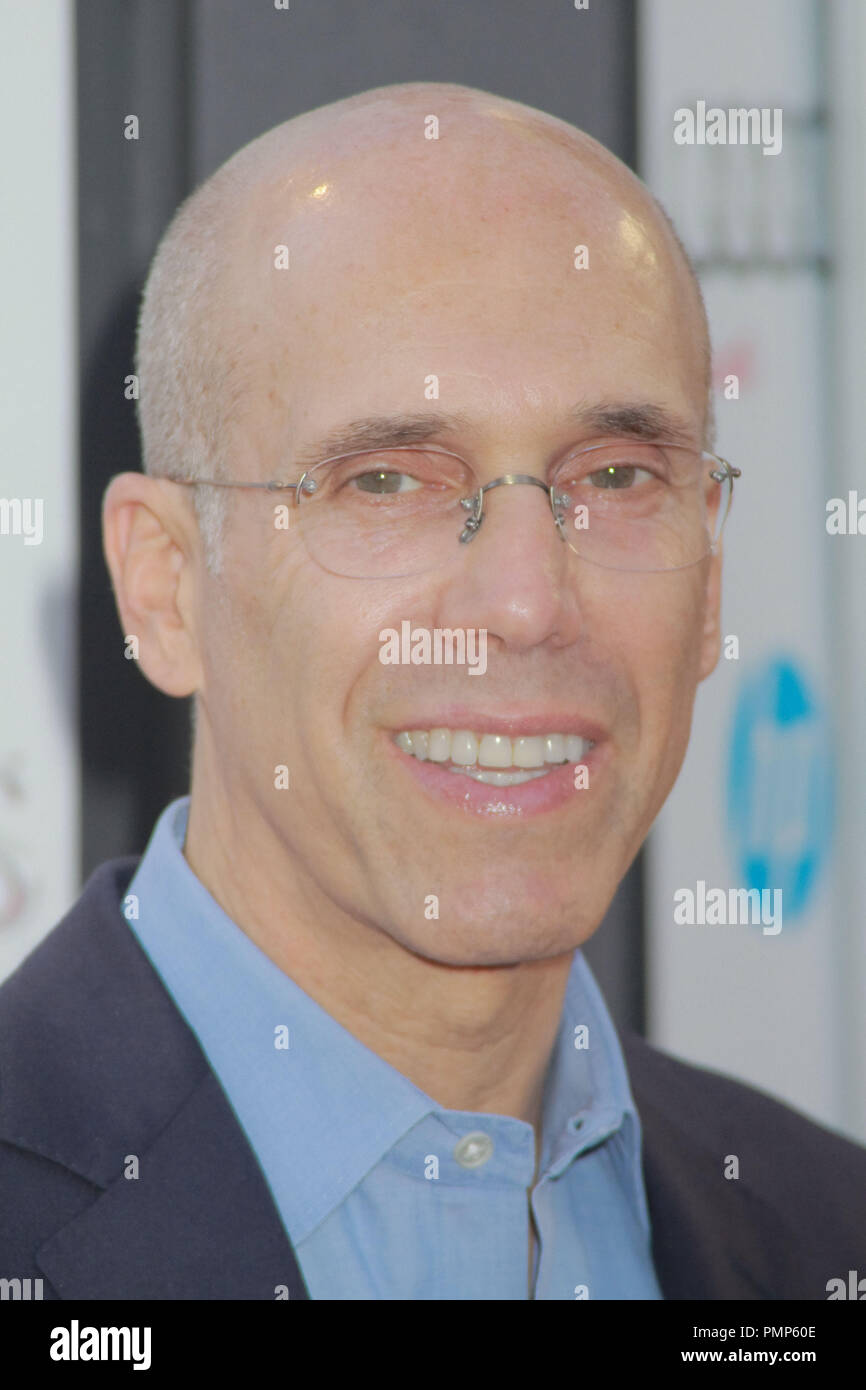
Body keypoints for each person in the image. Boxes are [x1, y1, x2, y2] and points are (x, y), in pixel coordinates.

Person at [1, 81, 863, 1302]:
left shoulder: (824, 1235)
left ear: (710, 575)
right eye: (386, 483)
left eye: (613, 474)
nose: (525, 602)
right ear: (165, 587)